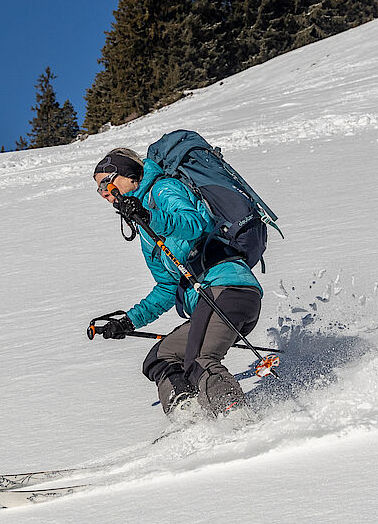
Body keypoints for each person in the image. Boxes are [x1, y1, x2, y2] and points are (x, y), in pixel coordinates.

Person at [91, 147, 263, 423]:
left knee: (200, 360)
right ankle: (189, 417)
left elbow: (195, 224)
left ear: (128, 174)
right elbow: (169, 286)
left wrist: (150, 217)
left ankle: (237, 419)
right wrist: (129, 321)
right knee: (161, 357)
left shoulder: (163, 190)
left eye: (105, 182)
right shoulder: (144, 229)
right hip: (208, 301)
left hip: (226, 288)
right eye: (98, 190)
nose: (103, 193)